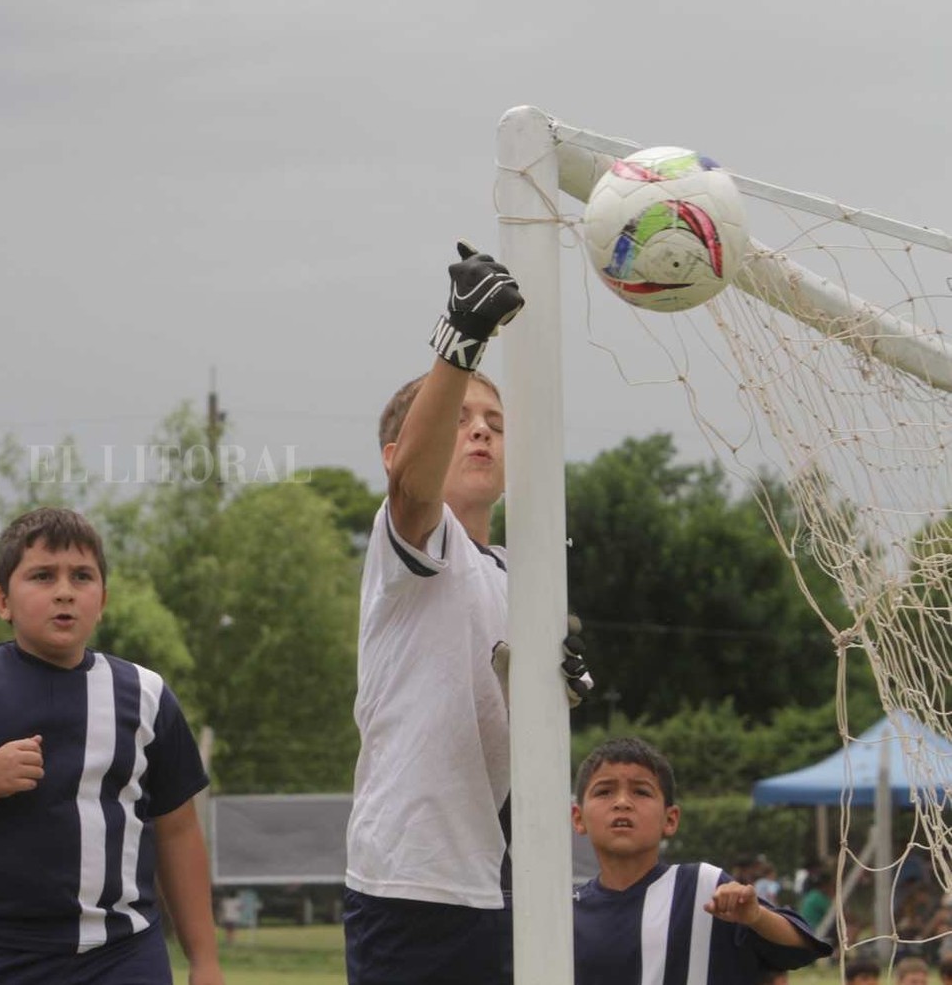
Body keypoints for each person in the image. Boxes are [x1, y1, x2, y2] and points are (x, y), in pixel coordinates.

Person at [343, 242, 591, 985]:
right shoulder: (414, 541)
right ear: (400, 449)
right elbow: (413, 492)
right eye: (460, 419)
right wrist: (459, 341)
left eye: (495, 419)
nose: (480, 429)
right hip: (413, 880)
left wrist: (555, 692)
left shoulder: (523, 574)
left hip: (504, 876)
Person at [0, 507, 223, 985]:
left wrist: (205, 961)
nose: (65, 591)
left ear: (103, 599)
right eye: (43, 576)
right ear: (2, 600)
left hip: (124, 954)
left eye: (82, 576)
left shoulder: (146, 694)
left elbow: (177, 831)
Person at [571, 737, 831, 984]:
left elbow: (801, 949)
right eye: (604, 791)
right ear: (578, 818)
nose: (622, 802)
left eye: (641, 791)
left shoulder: (703, 887)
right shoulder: (567, 913)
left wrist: (756, 917)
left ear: (670, 820)